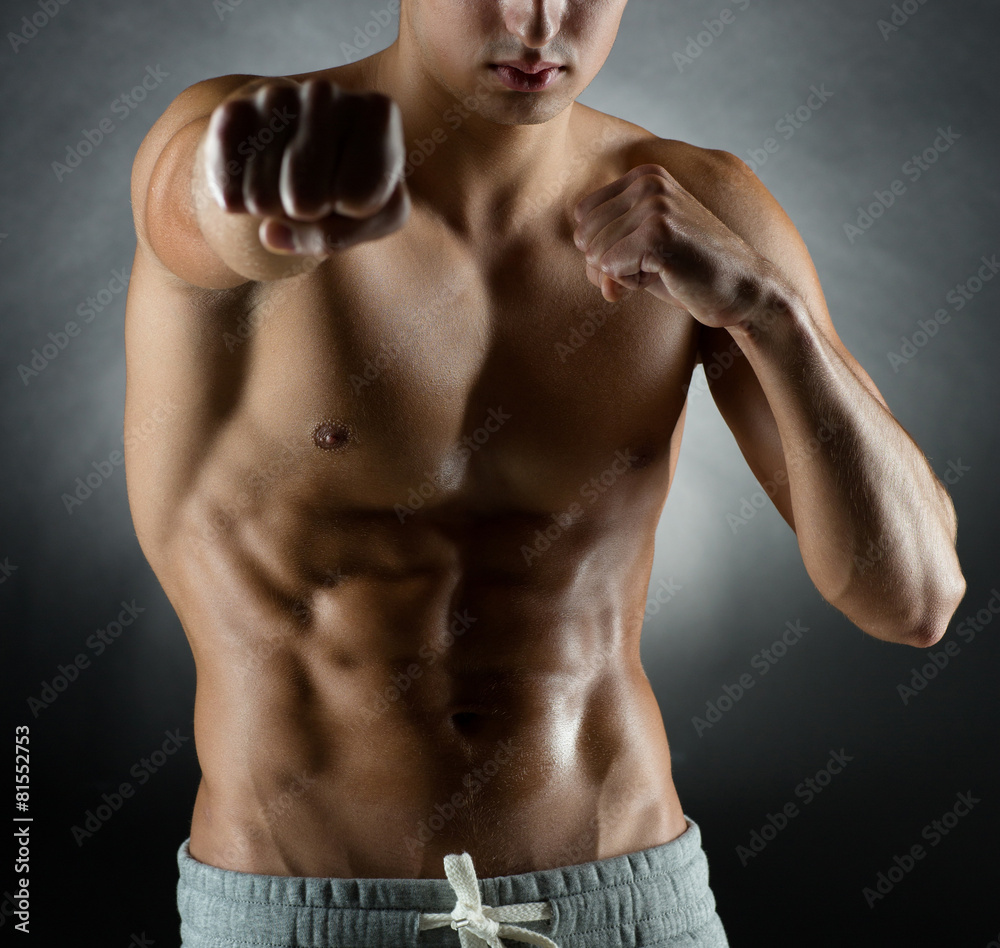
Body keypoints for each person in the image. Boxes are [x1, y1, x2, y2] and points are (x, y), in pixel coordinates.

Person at [125, 1, 965, 945]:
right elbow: (198, 206)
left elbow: (915, 600)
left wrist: (771, 316)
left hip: (630, 901)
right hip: (308, 914)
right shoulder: (248, 135)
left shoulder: (699, 204)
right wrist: (250, 196)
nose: (538, 20)